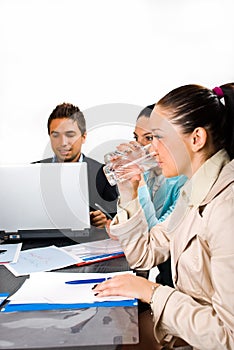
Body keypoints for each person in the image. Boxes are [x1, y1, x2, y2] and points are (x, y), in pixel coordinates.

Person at [93, 83, 234, 349]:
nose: (150, 149)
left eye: (157, 137)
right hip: (185, 329)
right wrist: (129, 192)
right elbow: (144, 254)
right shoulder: (192, 192)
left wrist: (152, 292)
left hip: (203, 339)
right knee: (103, 335)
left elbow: (229, 337)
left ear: (196, 139)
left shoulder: (227, 208)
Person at [34, 103, 118, 228]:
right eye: (55, 135)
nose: (63, 143)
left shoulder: (103, 174)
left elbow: (117, 218)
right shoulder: (33, 172)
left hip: (85, 244)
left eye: (70, 135)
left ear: (83, 137)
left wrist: (104, 220)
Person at [135, 104, 187, 287]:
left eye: (149, 138)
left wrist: (137, 182)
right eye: (136, 138)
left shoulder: (183, 179)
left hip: (178, 282)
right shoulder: (150, 173)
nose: (140, 147)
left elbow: (153, 235)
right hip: (163, 278)